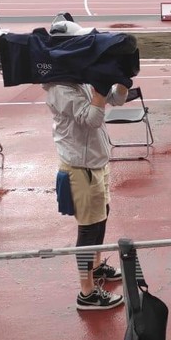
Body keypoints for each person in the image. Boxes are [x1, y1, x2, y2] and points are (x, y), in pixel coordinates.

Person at [43, 80, 129, 310]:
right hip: (80, 168)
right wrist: (100, 89)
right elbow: (92, 118)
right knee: (89, 228)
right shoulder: (59, 89)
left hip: (96, 163)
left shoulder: (81, 80)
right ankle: (87, 292)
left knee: (102, 216)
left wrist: (122, 80)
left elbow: (117, 99)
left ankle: (97, 265)